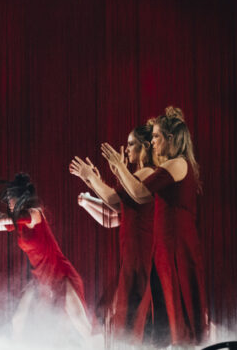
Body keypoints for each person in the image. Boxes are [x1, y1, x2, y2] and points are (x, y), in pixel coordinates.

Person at [101, 106, 208, 348]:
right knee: (162, 314)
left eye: (157, 136)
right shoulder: (170, 165)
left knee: (178, 312)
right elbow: (131, 196)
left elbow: (139, 193)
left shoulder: (177, 164)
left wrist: (119, 167)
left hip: (176, 250)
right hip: (164, 250)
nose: (153, 141)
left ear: (171, 139)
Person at [0, 173, 92, 341]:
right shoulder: (18, 221)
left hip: (60, 273)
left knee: (79, 321)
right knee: (18, 319)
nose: (9, 203)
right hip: (40, 276)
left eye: (11, 199)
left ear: (22, 198)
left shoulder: (35, 214)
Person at [70, 123, 157, 344]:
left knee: (133, 316)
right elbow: (116, 207)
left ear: (145, 146)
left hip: (141, 254)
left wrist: (92, 178)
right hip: (134, 254)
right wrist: (90, 179)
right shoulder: (138, 174)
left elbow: (112, 200)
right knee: (127, 315)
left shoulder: (147, 172)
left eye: (131, 144)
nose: (126, 149)